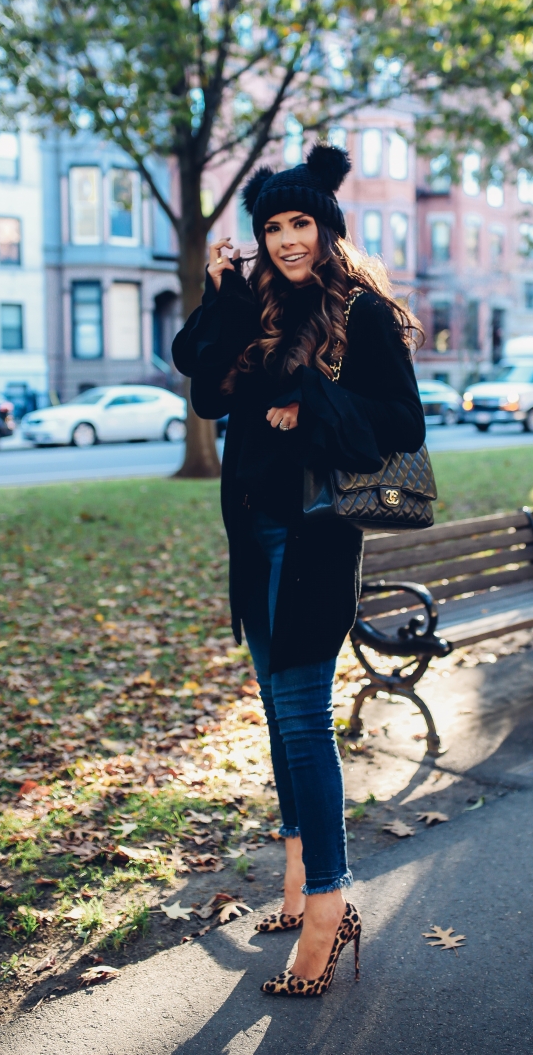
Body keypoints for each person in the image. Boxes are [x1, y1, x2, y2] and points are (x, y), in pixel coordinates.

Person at [172, 143, 425, 997]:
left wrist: (307, 395)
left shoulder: (365, 316)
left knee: (305, 721)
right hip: (256, 539)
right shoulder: (258, 306)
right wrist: (223, 295)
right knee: (280, 723)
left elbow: (399, 425)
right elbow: (206, 393)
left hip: (318, 541)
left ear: (328, 227)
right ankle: (293, 883)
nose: (286, 240)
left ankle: (329, 904)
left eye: (300, 223)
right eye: (272, 226)